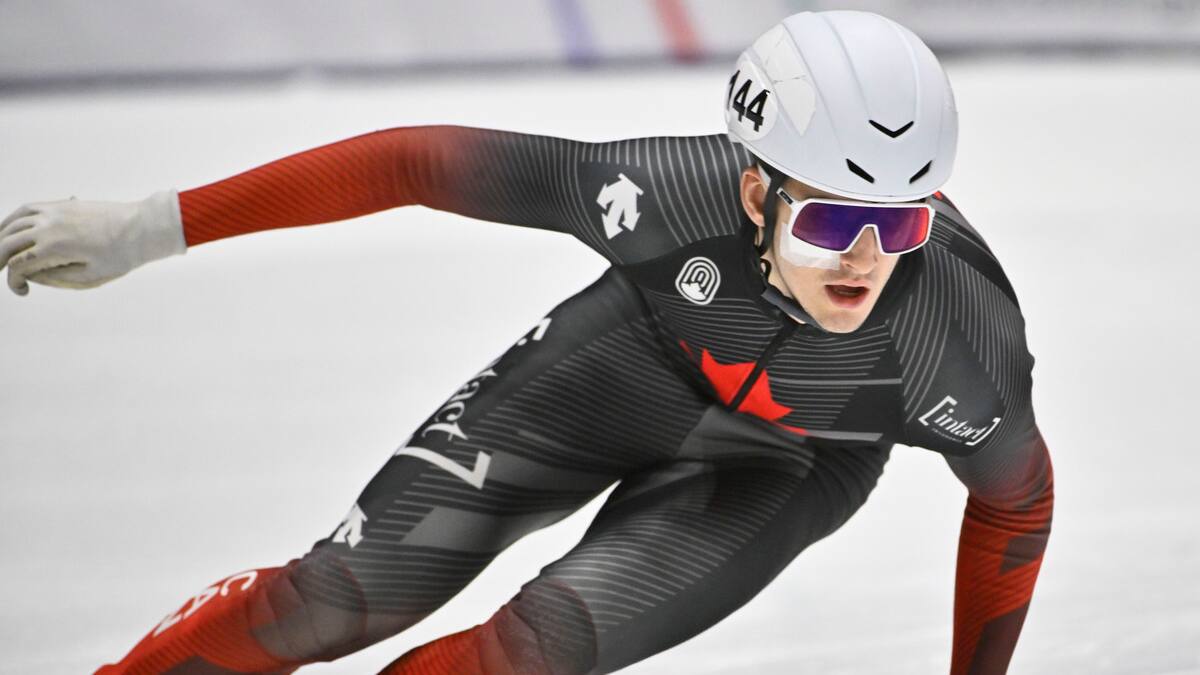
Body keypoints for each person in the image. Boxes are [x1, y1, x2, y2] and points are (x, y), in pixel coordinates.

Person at [0, 10, 1053, 675]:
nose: (865, 260)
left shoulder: (955, 340)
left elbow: (1016, 502)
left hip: (796, 457)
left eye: (901, 225)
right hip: (631, 361)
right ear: (749, 191)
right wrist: (151, 226)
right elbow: (414, 162)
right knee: (327, 603)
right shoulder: (663, 193)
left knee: (527, 655)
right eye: (829, 221)